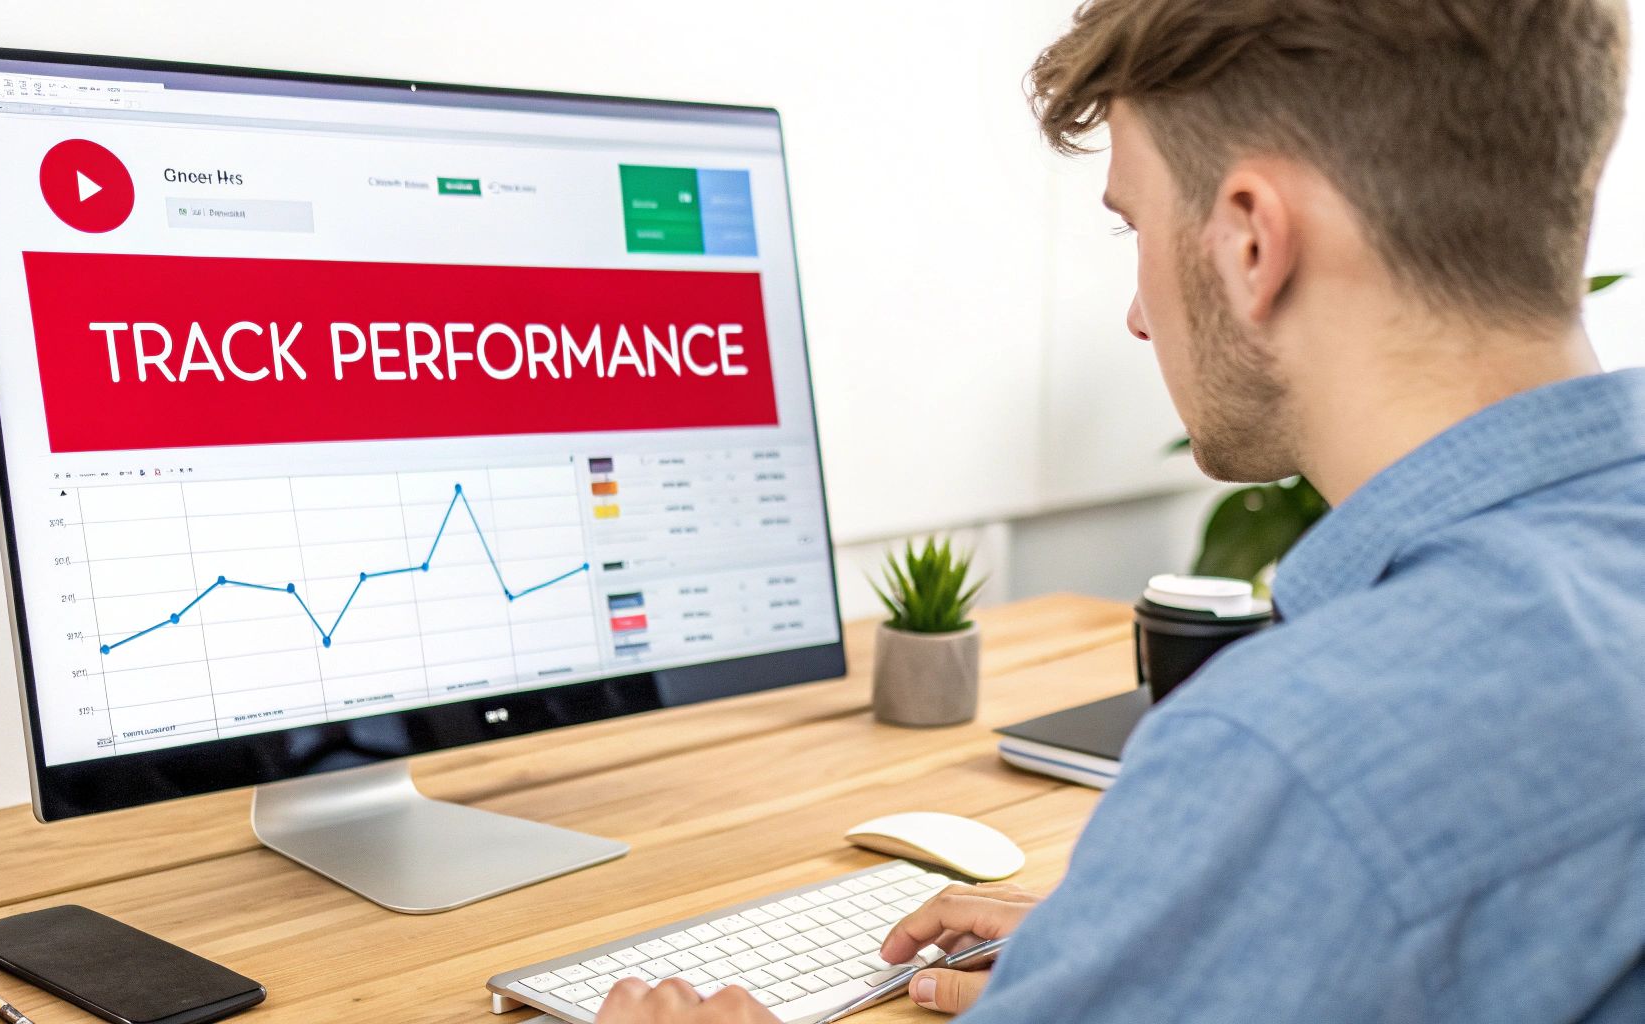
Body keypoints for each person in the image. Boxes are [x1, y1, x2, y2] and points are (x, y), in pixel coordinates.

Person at [599, 0, 1644, 1019]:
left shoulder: (1286, 754)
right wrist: (1181, 924)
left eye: (1132, 224)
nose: (1139, 316)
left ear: (1248, 243)